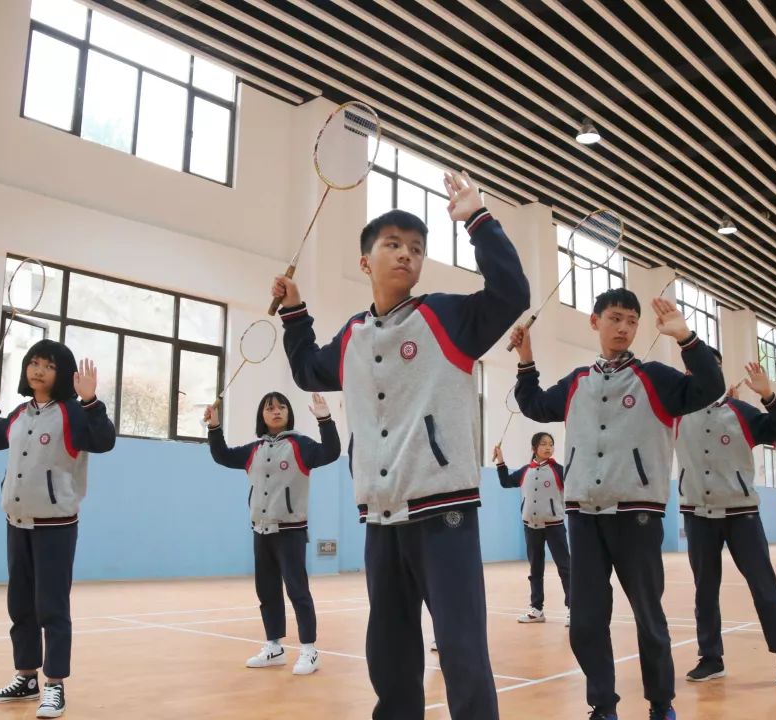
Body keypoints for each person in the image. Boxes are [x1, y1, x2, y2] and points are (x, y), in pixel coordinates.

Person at [276, 171, 529, 718]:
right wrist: (294, 312)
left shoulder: (447, 316)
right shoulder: (352, 336)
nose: (406, 255)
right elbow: (307, 370)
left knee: (461, 647)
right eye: (392, 245)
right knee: (388, 651)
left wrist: (478, 219)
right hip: (381, 514)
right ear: (366, 261)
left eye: (415, 248)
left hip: (445, 512)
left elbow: (512, 293)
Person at [511, 288, 724, 720]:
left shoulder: (658, 380)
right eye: (615, 318)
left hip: (637, 516)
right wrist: (526, 359)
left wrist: (686, 338)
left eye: (631, 320)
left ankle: (661, 704)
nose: (623, 327)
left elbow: (709, 386)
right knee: (587, 621)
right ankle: (602, 706)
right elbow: (533, 404)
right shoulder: (576, 383)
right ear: (595, 322)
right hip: (583, 515)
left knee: (649, 617)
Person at [0, 340, 116, 718]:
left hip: (55, 525)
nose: (38, 370)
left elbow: (104, 440)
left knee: (51, 607)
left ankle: (55, 685)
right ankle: (26, 677)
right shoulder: (22, 412)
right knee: (20, 605)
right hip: (17, 522)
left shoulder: (73, 412)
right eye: (33, 363)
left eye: (48, 365)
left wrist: (91, 401)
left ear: (63, 373)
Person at [675, 351, 776, 688]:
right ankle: (710, 658)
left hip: (741, 514)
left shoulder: (741, 412)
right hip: (697, 514)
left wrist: (768, 396)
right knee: (705, 590)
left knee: (764, 587)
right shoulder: (676, 415)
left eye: (709, 367)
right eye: (693, 367)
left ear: (717, 371)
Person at [205, 391, 340, 675]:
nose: (276, 411)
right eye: (269, 408)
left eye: (281, 407)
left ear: (289, 412)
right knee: (267, 591)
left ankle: (309, 650)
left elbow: (331, 452)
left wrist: (325, 420)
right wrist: (214, 427)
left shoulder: (300, 445)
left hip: (290, 532)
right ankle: (274, 647)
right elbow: (221, 455)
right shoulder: (254, 449)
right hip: (260, 531)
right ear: (262, 416)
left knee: (297, 591)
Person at [494, 433, 570, 625]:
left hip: (555, 526)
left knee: (565, 568)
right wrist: (500, 460)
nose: (548, 447)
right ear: (534, 448)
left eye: (551, 444)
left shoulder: (559, 471)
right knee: (535, 569)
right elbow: (505, 482)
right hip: (531, 527)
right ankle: (536, 609)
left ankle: (573, 608)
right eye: (543, 444)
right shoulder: (525, 471)